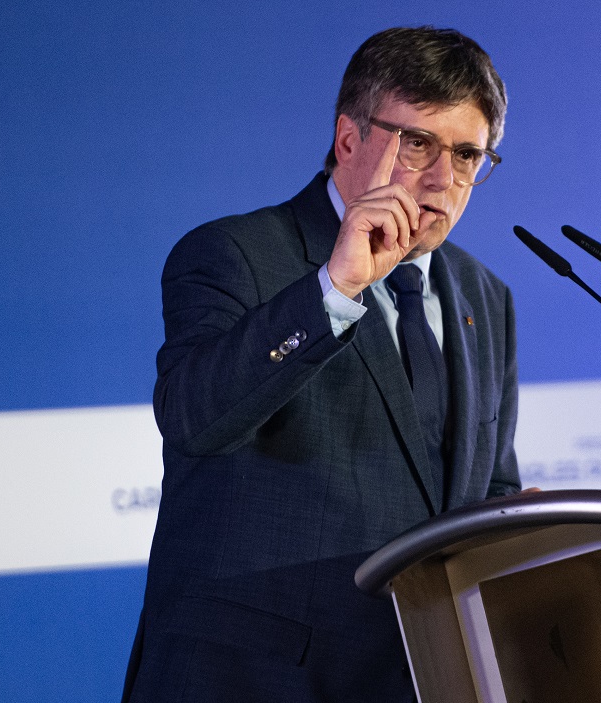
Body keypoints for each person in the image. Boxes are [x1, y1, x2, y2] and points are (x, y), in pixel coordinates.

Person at [122, 26, 519, 702]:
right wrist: (333, 289)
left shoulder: (486, 296)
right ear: (348, 139)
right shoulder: (234, 255)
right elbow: (194, 417)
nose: (442, 179)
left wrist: (524, 522)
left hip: (413, 679)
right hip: (253, 680)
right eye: (418, 142)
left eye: (467, 154)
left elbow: (484, 490)